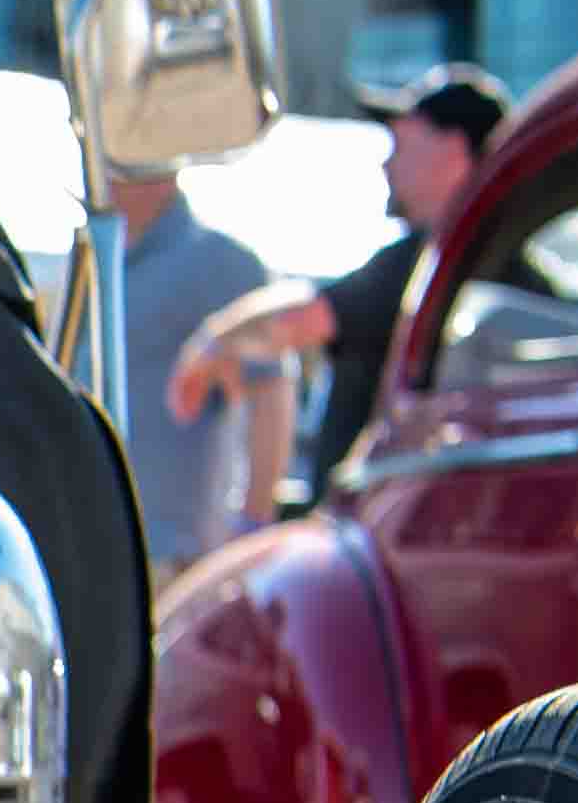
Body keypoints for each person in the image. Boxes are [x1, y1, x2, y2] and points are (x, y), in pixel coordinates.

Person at [166, 66, 504, 499]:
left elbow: (300, 317)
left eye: (401, 144)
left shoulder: (434, 262)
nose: (386, 164)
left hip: (385, 529)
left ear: (452, 150)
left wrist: (209, 345)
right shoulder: (509, 262)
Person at [91, 169, 269, 570]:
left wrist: (254, 526)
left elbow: (272, 393)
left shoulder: (221, 262)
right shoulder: (97, 260)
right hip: (96, 546)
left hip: (175, 555)